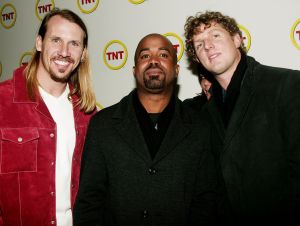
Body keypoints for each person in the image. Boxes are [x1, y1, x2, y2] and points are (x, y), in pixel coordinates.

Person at [73, 33, 219, 226]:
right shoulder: (103, 124)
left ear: (176, 70)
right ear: (135, 71)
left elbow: (207, 202)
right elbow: (89, 203)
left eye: (163, 55)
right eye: (145, 56)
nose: (154, 61)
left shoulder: (200, 127)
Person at [184, 10, 300, 225]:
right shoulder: (206, 115)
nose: (207, 46)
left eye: (215, 35)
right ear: (197, 58)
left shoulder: (287, 85)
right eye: (199, 44)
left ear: (237, 39)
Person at [0, 8, 96, 226]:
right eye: (56, 40)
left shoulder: (87, 113)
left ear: (82, 54)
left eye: (74, 43)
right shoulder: (3, 102)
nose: (64, 51)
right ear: (39, 43)